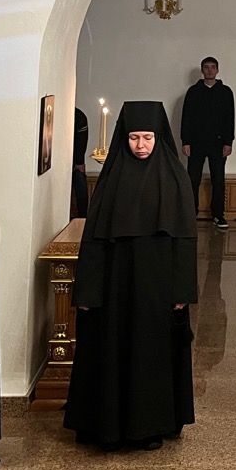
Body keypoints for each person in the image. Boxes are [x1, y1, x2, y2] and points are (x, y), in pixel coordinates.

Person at [64, 101, 198, 450]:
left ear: (159, 138)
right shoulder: (111, 181)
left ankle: (149, 426)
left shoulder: (175, 180)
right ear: (124, 138)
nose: (140, 145)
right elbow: (94, 241)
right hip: (115, 286)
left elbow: (185, 241)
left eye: (148, 138)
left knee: (151, 353)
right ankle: (108, 426)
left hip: (156, 287)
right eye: (134, 138)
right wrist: (88, 291)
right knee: (112, 350)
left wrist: (182, 291)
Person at [181, 56, 236, 229]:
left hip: (218, 144)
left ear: (217, 70)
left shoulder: (226, 92)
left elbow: (230, 118)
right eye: (206, 67)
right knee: (192, 179)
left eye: (213, 67)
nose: (210, 70)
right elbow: (186, 118)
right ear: (202, 70)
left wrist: (228, 142)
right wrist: (185, 142)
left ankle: (218, 215)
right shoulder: (193, 92)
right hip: (196, 143)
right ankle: (191, 214)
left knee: (218, 180)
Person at [72, 107, 89, 218]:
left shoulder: (79, 116)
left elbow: (82, 140)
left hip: (75, 162)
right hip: (71, 161)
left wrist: (79, 162)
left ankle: (83, 218)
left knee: (81, 191)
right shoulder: (79, 115)